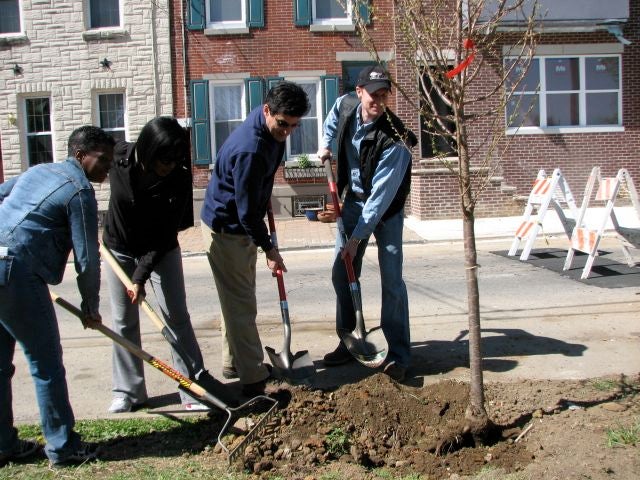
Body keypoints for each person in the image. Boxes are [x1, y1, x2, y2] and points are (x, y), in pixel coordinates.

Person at [0, 126, 114, 467]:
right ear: (81, 156)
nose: (108, 168)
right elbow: (87, 257)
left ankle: (3, 444)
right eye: (103, 160)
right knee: (46, 364)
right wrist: (90, 307)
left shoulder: (38, 171)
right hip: (17, 270)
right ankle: (63, 448)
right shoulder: (79, 191)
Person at [102, 117, 229, 413]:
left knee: (175, 316)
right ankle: (128, 391)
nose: (169, 165)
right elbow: (89, 150)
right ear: (146, 149)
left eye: (175, 159)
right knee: (123, 321)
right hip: (118, 248)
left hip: (160, 249)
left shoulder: (179, 178)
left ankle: (191, 388)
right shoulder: (119, 156)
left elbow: (164, 233)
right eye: (164, 159)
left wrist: (140, 276)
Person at [200, 81, 310, 396]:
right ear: (266, 111)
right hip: (228, 230)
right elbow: (247, 214)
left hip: (238, 223)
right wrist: (270, 249)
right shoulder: (251, 149)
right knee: (242, 307)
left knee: (235, 301)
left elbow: (254, 196)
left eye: (293, 126)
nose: (287, 132)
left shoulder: (268, 130)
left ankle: (234, 363)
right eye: (282, 124)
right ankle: (252, 381)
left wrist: (264, 197)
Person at [317, 65, 417, 382]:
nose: (378, 99)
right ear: (359, 92)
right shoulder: (347, 103)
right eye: (373, 93)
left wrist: (356, 239)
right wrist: (325, 144)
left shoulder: (396, 140)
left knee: (392, 281)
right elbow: (332, 121)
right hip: (354, 199)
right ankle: (349, 340)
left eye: (384, 94)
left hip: (385, 210)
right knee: (340, 271)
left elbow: (379, 201)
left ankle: (399, 355)